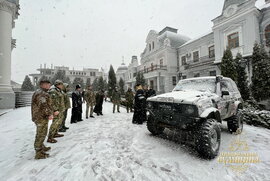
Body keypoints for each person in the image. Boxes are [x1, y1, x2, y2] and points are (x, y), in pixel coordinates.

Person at [31, 79, 54, 159]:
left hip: (41, 116)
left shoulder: (42, 92)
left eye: (49, 84)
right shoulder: (41, 93)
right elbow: (43, 105)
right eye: (47, 84)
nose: (49, 86)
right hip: (40, 117)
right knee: (41, 134)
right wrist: (49, 114)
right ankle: (38, 152)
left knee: (42, 133)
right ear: (42, 85)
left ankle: (41, 146)